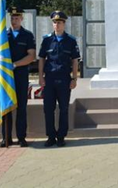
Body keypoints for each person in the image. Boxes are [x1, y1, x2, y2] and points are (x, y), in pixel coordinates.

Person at [38, 11, 80, 148]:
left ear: (64, 24)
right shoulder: (47, 40)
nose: (57, 25)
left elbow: (74, 61)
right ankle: (51, 136)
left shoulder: (71, 41)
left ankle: (61, 136)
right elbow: (41, 59)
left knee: (64, 108)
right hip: (49, 79)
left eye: (60, 22)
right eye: (55, 22)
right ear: (52, 24)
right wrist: (40, 77)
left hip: (64, 79)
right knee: (48, 109)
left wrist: (74, 78)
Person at [0, 7, 36, 148]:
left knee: (21, 107)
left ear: (21, 18)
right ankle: (6, 138)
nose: (14, 21)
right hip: (6, 77)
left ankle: (21, 137)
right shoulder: (3, 36)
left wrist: (15, 64)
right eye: (12, 18)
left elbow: (31, 56)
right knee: (6, 107)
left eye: (16, 18)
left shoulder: (27, 35)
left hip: (20, 75)